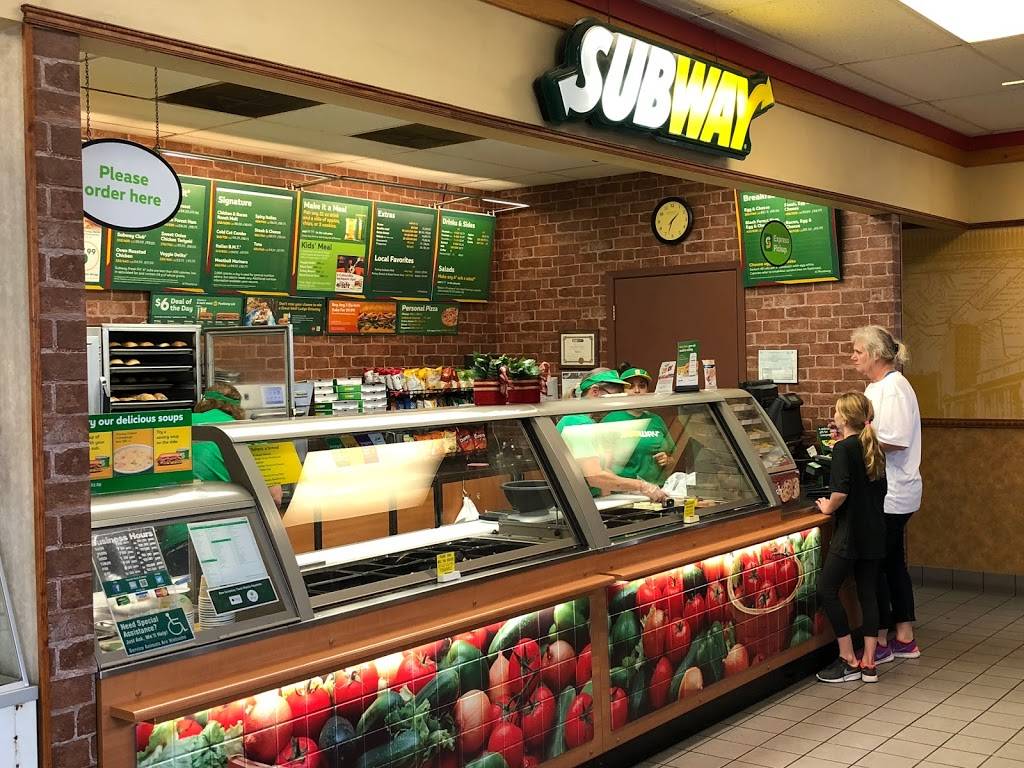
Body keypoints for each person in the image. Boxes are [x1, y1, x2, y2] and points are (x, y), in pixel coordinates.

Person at [851, 326, 922, 663]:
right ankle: (904, 636)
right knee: (892, 562)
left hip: (893, 492)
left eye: (858, 351)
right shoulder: (877, 387)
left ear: (876, 354)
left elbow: (894, 439)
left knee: (876, 566)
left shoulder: (893, 389)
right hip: (888, 490)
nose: (853, 357)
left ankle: (879, 641)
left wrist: (853, 443)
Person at [814, 392, 887, 684]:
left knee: (826, 589)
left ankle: (847, 658)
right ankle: (869, 662)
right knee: (868, 593)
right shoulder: (873, 446)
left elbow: (840, 492)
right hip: (875, 531)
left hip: (850, 534)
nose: (834, 415)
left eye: (836, 411)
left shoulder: (843, 448)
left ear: (844, 418)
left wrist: (826, 507)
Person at [556, 369, 668, 502]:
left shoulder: (587, 422)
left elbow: (602, 470)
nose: (617, 404)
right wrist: (642, 486)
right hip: (576, 503)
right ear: (595, 391)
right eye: (615, 397)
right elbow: (595, 477)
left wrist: (628, 489)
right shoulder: (578, 424)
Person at [599, 365, 676, 485]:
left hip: (657, 488)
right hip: (624, 489)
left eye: (642, 386)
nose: (637, 391)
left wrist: (667, 460)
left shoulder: (656, 420)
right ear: (622, 391)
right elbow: (601, 467)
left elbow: (671, 458)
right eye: (630, 386)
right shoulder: (611, 420)